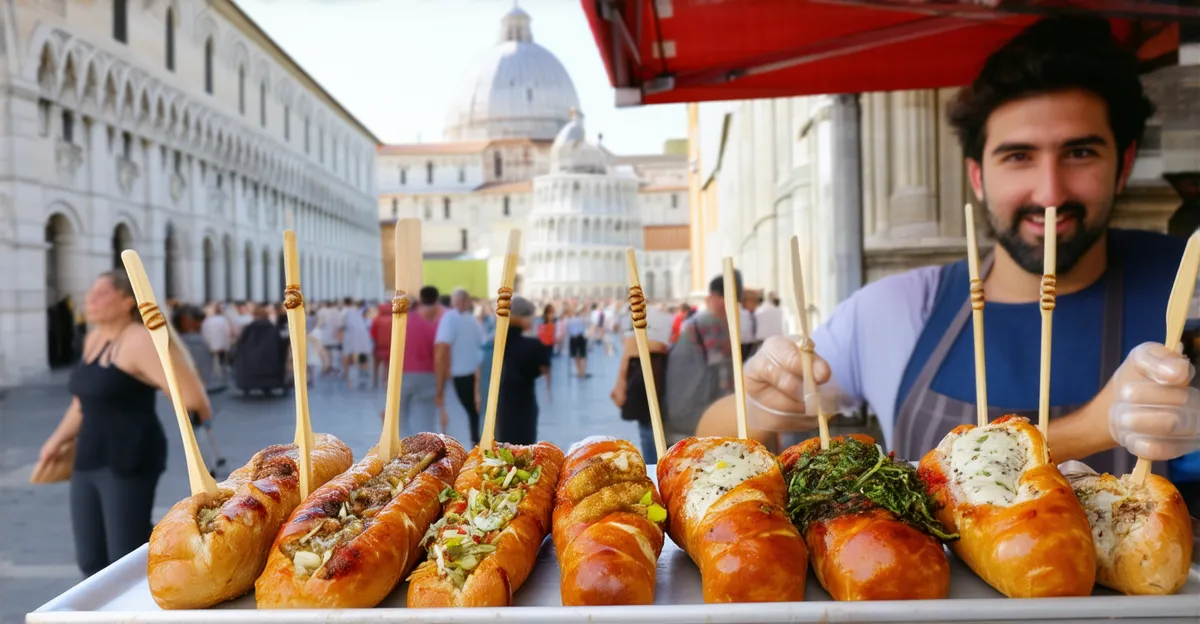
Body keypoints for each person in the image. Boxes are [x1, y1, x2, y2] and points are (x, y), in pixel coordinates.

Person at [707, 16, 1200, 479]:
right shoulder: (895, 310)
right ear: (978, 176)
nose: (1050, 193)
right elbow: (714, 439)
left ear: (1125, 161)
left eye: (1080, 153)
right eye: (1019, 156)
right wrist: (760, 400)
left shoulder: (1189, 284)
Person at [36, 270, 212, 577]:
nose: (90, 298)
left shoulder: (139, 341)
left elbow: (195, 401)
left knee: (124, 558)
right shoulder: (94, 339)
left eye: (101, 293)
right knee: (90, 560)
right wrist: (57, 440)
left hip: (129, 457)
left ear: (127, 301)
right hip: (88, 456)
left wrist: (182, 394)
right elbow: (82, 402)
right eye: (91, 292)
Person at [662, 272, 741, 447]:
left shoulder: (697, 321)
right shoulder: (709, 323)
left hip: (682, 408)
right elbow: (725, 378)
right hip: (694, 413)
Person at [611, 304, 673, 463]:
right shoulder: (662, 322)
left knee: (649, 433)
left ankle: (656, 469)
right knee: (650, 432)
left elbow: (627, 354)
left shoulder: (635, 332)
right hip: (654, 385)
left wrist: (620, 384)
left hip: (648, 384)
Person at [494, 296, 552, 445]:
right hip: (523, 403)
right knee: (523, 449)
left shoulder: (497, 341)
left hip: (501, 403)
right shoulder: (532, 346)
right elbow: (544, 367)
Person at [434, 288, 484, 444]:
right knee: (472, 411)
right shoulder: (472, 320)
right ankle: (475, 441)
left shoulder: (449, 318)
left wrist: (440, 378)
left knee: (454, 412)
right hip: (470, 372)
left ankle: (451, 446)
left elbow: (443, 347)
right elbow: (482, 343)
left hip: (454, 373)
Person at [394, 287, 441, 435]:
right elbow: (437, 355)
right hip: (426, 375)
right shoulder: (432, 326)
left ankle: (402, 449)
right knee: (425, 419)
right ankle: (424, 450)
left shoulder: (399, 325)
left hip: (402, 373)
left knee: (399, 418)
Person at [340, 298, 372, 389]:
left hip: (350, 339)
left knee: (348, 358)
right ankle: (363, 377)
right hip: (361, 339)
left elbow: (341, 325)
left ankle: (348, 380)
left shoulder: (346, 312)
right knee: (362, 358)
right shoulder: (359, 313)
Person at [369, 302, 392, 389]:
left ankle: (375, 382)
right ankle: (386, 382)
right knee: (388, 367)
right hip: (390, 347)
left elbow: (372, 333)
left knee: (376, 366)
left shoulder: (376, 320)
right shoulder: (394, 319)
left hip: (379, 347)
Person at [565, 306, 590, 378]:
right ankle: (581, 372)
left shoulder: (572, 319)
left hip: (578, 337)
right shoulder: (577, 319)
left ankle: (581, 372)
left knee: (580, 356)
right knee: (579, 356)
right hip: (576, 338)